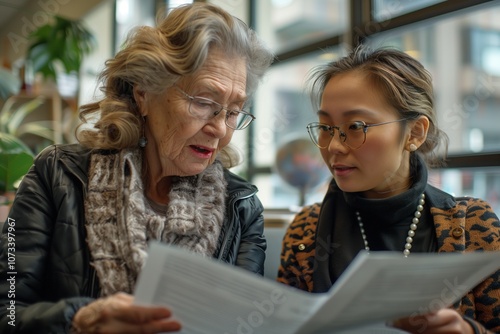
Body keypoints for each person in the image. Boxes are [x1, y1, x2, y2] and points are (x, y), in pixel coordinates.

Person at [0, 3, 274, 333]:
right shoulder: (55, 175)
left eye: (233, 111)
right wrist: (80, 320)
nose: (220, 128)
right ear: (144, 92)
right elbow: (8, 311)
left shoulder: (242, 207)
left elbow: (247, 326)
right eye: (203, 101)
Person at [277, 44, 500, 334]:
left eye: (356, 126)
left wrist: (469, 332)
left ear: (415, 133)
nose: (333, 146)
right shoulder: (305, 231)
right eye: (325, 127)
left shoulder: (472, 224)